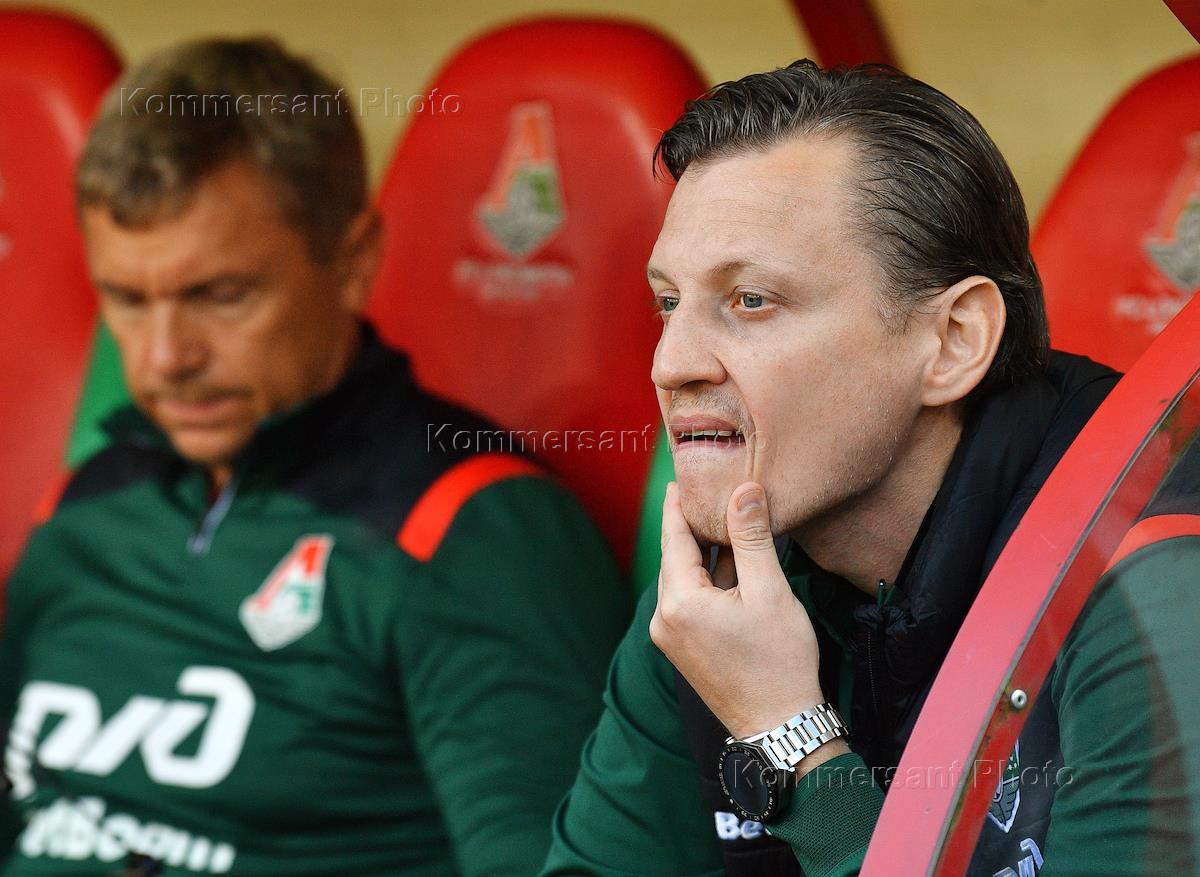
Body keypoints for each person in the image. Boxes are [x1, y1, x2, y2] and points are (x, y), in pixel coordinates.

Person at [542, 60, 1200, 877]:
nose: (670, 363)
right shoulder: (714, 597)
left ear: (953, 342)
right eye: (669, 303)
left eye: (751, 300)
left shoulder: (1160, 590)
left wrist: (796, 747)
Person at [0, 38, 629, 876]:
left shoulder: (468, 528)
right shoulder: (85, 501)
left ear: (352, 261)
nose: (163, 358)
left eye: (221, 295)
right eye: (126, 298)